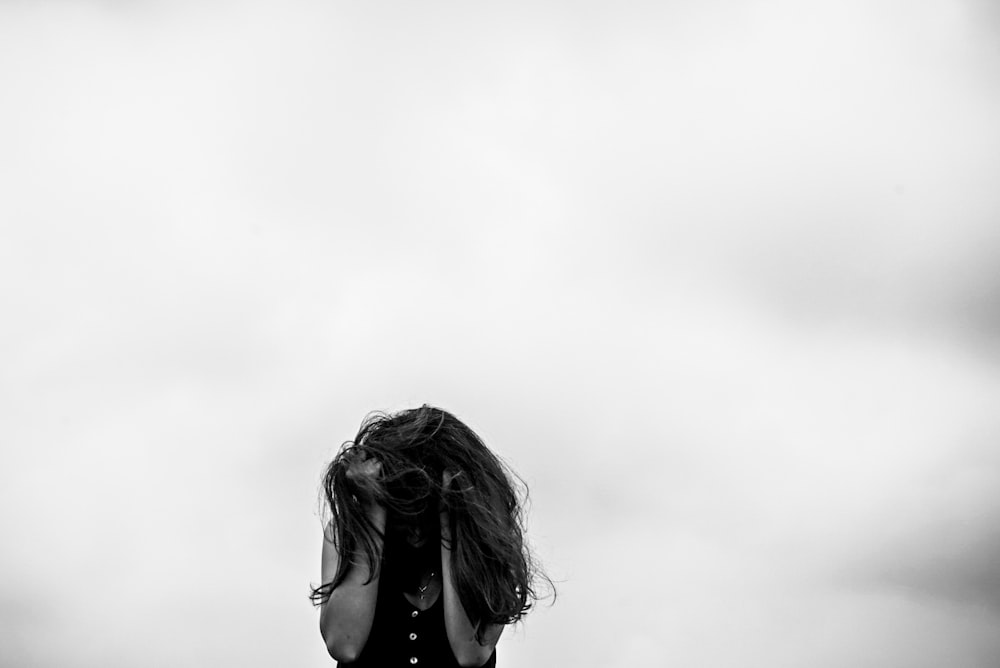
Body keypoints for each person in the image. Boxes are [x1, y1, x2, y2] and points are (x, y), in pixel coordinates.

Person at [311, 405, 550, 667]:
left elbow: (470, 653)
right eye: (403, 514)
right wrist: (373, 511)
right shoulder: (346, 533)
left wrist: (451, 522)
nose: (414, 531)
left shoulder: (491, 541)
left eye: (424, 516)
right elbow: (344, 645)